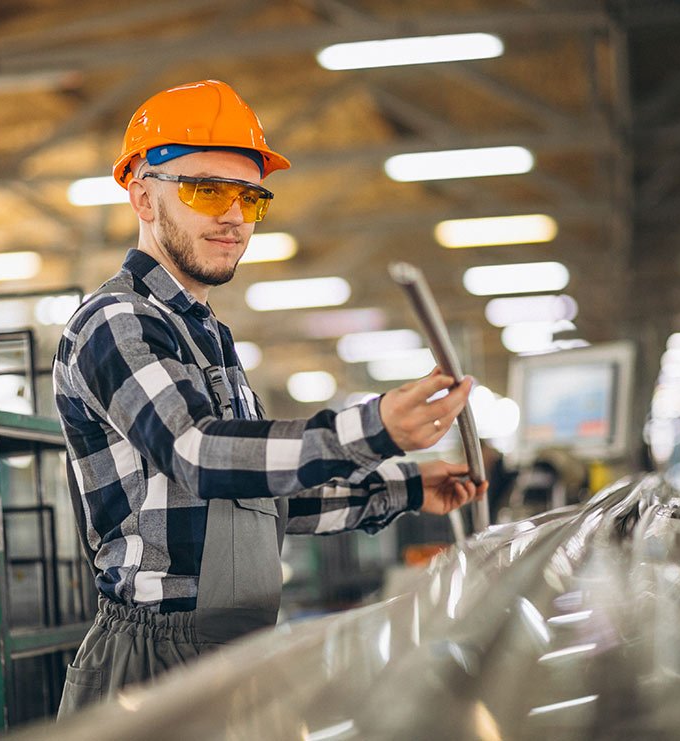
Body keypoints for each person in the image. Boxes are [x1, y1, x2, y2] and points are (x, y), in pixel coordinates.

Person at [52, 79, 487, 716]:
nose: (232, 216)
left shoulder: (212, 342)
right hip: (150, 666)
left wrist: (407, 486)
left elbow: (257, 501)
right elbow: (196, 454)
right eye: (207, 190)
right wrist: (372, 429)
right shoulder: (115, 322)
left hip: (235, 651)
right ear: (142, 195)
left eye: (248, 197)